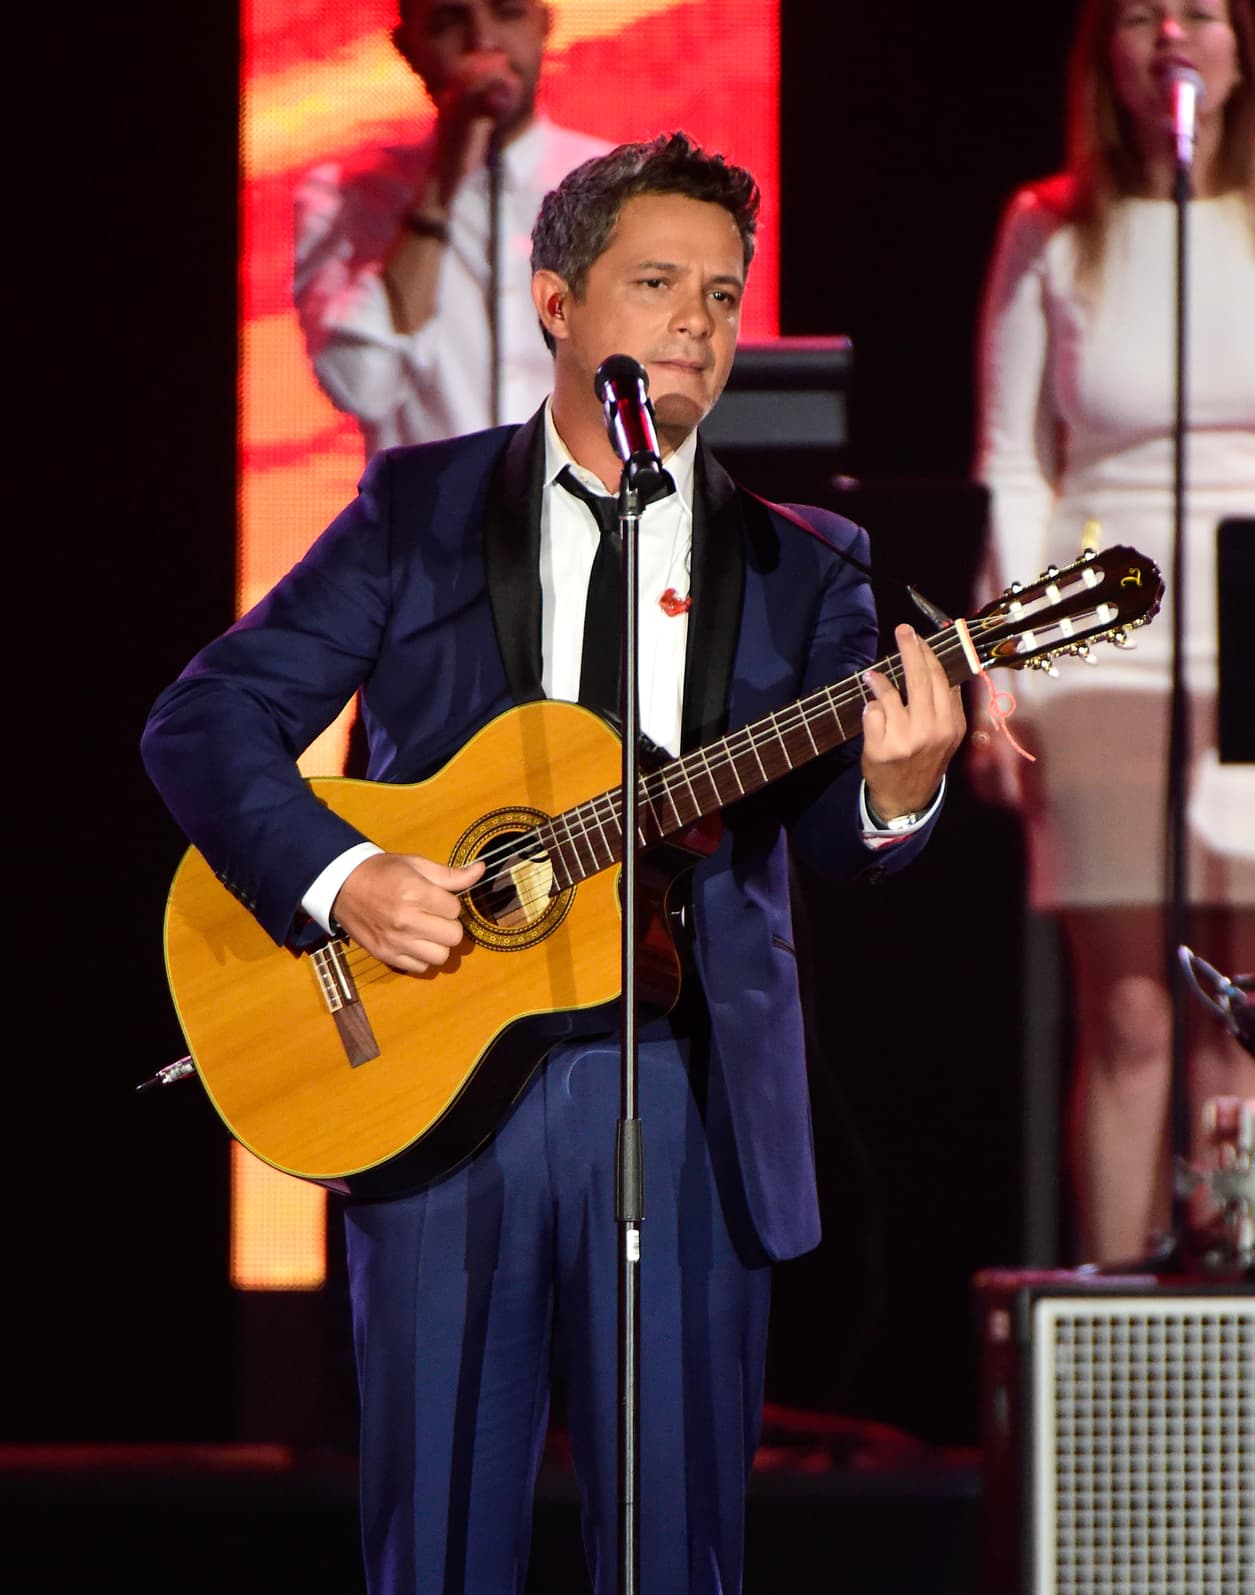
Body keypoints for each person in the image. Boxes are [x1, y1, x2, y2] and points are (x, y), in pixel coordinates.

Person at [144, 132, 966, 1594]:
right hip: (436, 1082)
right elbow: (207, 719)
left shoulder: (811, 562)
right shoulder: (419, 510)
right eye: (656, 283)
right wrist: (345, 877)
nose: (696, 324)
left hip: (690, 1096)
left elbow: (838, 847)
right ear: (554, 298)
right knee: (440, 1545)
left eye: (721, 293)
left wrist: (900, 793)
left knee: (678, 1554)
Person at [975, 0, 1255, 1265]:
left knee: (1247, 1014)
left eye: (1198, 10)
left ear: (1237, 46)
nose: (1172, 33)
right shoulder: (1049, 223)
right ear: (1106, 49)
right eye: (1144, 12)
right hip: (1099, 639)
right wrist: (999, 660)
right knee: (1133, 1007)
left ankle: (1241, 1328)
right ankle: (1107, 1332)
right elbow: (1011, 462)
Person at [294, 0, 610, 455]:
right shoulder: (346, 196)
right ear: (408, 49)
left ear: (544, 23)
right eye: (449, 21)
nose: (482, 41)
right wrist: (442, 182)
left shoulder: (624, 187)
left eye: (507, 13)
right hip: (428, 520)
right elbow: (361, 384)